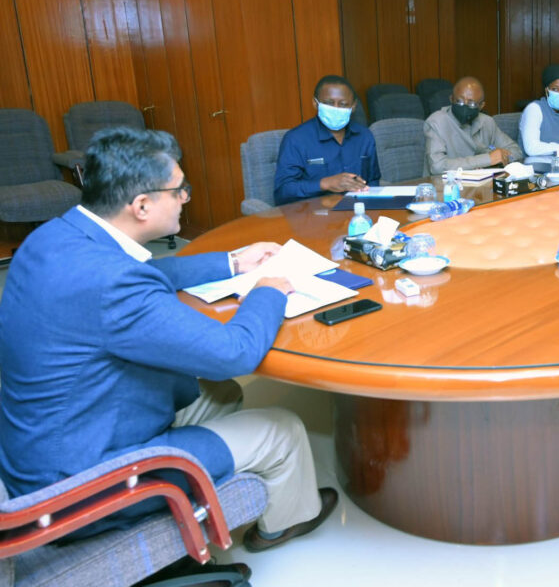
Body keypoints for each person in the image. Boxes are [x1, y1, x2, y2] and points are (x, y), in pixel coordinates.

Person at [0, 127, 337, 554]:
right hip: (76, 483)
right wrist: (267, 291)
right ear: (142, 205)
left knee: (218, 394)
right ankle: (287, 523)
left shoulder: (56, 235)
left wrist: (232, 262)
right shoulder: (113, 285)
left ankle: (211, 468)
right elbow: (235, 352)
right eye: (178, 190)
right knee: (282, 429)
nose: (185, 198)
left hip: (44, 440)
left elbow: (142, 273)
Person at [274, 74, 380, 205]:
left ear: (353, 106)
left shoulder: (364, 136)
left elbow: (373, 181)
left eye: (343, 104)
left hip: (358, 210)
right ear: (315, 103)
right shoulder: (295, 139)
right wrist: (325, 183)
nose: (336, 108)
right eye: (329, 103)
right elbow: (283, 192)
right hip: (312, 212)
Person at [424, 76, 523, 175]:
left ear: (481, 106)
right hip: (444, 183)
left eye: (471, 104)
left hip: (482, 181)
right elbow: (437, 166)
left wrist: (499, 157)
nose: (464, 107)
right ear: (451, 99)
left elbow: (516, 151)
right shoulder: (436, 122)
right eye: (459, 101)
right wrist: (486, 159)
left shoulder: (487, 122)